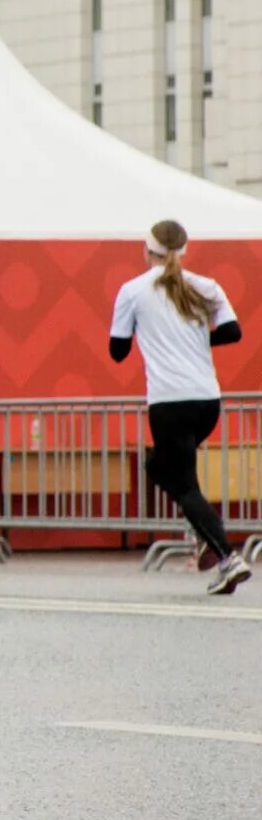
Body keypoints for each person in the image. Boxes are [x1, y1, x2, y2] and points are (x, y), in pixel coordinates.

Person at [112, 219, 250, 594]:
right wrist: (193, 342)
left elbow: (117, 350)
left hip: (168, 401)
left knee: (183, 482)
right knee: (159, 465)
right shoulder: (204, 286)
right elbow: (233, 332)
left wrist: (154, 336)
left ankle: (227, 556)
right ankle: (207, 537)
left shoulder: (133, 291)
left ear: (147, 251)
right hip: (207, 400)